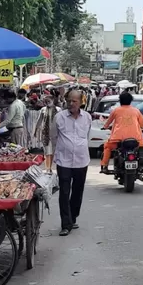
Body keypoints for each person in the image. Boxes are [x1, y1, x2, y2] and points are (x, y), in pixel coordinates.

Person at [53, 88, 92, 235]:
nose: (71, 103)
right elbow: (53, 137)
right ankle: (65, 224)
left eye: (74, 101)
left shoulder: (87, 117)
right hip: (64, 161)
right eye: (69, 100)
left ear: (80, 102)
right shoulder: (59, 117)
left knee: (77, 191)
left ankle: (73, 217)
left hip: (81, 160)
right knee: (64, 192)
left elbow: (86, 135)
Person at [100, 91, 143, 173]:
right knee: (142, 148)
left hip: (117, 139)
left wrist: (104, 127)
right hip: (136, 140)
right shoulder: (136, 111)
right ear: (130, 101)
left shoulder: (116, 110)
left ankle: (105, 166)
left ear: (120, 101)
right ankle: (141, 166)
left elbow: (108, 122)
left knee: (107, 147)